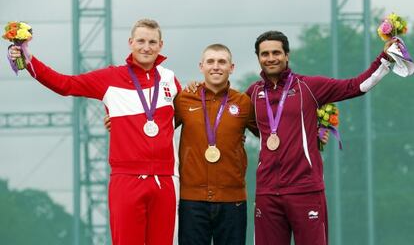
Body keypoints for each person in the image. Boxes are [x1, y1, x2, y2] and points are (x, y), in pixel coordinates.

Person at [9, 19, 181, 245]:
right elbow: (65, 84)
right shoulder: (110, 78)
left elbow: (183, 117)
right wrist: (29, 60)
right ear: (130, 43)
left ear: (161, 45)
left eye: (152, 42)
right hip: (126, 179)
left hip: (165, 180)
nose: (146, 47)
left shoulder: (170, 79)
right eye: (140, 41)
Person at [246, 30, 395, 245]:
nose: (271, 58)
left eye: (276, 52)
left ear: (287, 55)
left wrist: (385, 59)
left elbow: (356, 86)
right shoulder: (253, 92)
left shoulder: (308, 87)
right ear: (258, 58)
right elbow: (235, 117)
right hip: (267, 192)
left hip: (305, 189)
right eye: (265, 54)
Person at [174, 44, 258, 245]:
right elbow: (156, 128)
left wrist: (314, 130)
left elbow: (273, 131)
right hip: (192, 200)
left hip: (232, 200)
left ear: (232, 67)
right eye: (210, 61)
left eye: (222, 61)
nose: (216, 66)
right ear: (201, 66)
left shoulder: (244, 102)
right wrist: (116, 123)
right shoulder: (184, 99)